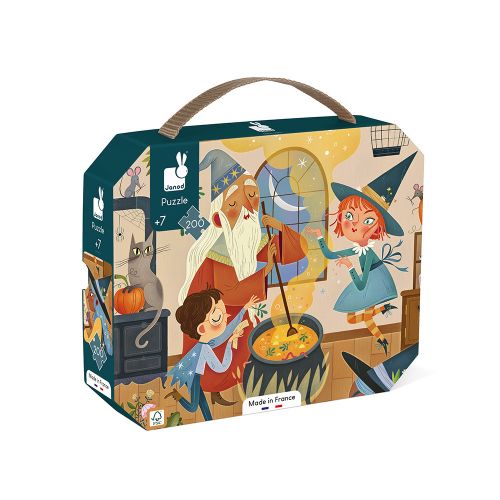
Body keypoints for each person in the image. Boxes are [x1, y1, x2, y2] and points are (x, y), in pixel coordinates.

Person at [178, 149, 306, 405]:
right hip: (211, 315)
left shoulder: (251, 237)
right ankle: (210, 390)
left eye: (251, 195)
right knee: (217, 358)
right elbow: (228, 293)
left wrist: (279, 226)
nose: (247, 207)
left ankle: (230, 386)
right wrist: (266, 270)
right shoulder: (219, 250)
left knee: (240, 351)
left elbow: (298, 249)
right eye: (234, 204)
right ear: (219, 215)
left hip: (236, 312)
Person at [307, 153, 417, 355]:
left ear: (378, 228)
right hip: (368, 280)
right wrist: (319, 237)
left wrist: (350, 266)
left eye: (367, 221)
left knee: (359, 317)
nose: (354, 226)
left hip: (375, 282)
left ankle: (382, 334)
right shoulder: (358, 249)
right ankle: (382, 319)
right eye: (349, 216)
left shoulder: (367, 253)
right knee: (354, 318)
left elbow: (361, 284)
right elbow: (330, 254)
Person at [166, 289, 260, 421]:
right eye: (217, 318)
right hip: (190, 375)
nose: (226, 318)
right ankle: (176, 395)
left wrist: (244, 309)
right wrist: (230, 343)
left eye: (224, 313)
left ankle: (209, 421)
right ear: (202, 328)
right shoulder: (205, 348)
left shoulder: (210, 341)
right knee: (193, 407)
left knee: (203, 404)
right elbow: (221, 367)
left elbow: (228, 330)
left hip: (192, 373)